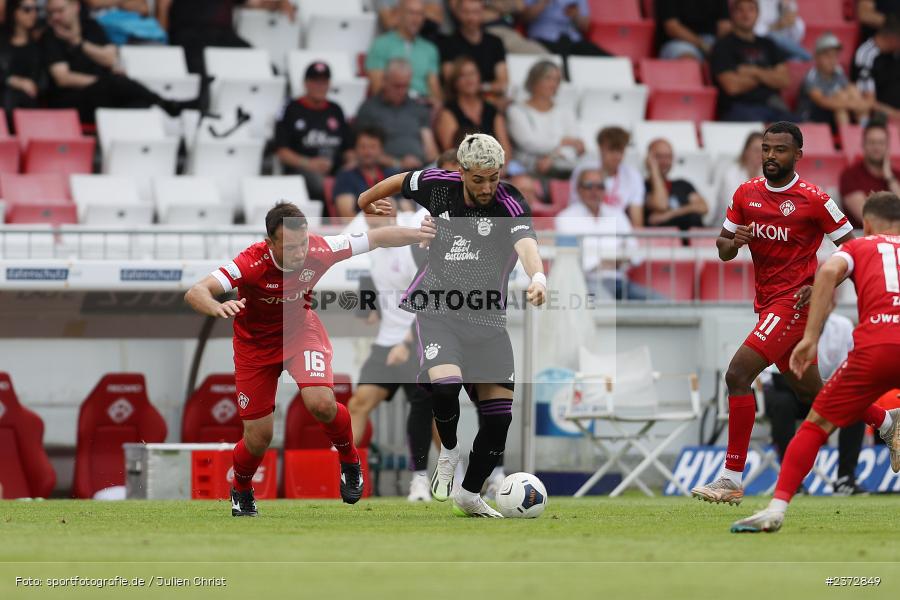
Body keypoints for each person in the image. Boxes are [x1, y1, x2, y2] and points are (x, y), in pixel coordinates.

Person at [183, 201, 436, 516]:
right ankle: (243, 488)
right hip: (254, 348)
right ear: (270, 243)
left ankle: (349, 461)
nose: (300, 251)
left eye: (303, 242)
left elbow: (379, 238)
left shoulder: (320, 248)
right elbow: (196, 291)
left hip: (300, 334)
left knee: (321, 403)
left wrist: (420, 233)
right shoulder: (250, 262)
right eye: (290, 246)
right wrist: (216, 306)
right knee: (259, 437)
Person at [689, 121, 884, 505]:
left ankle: (730, 477)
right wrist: (733, 241)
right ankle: (888, 422)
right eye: (765, 149)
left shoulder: (814, 199)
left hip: (795, 304)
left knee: (737, 373)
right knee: (815, 391)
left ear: (797, 155)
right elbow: (723, 249)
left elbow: (855, 249)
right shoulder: (746, 193)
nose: (770, 157)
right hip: (766, 305)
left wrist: (822, 286)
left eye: (779, 150)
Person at [357, 134, 547, 517]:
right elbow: (397, 181)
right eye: (478, 179)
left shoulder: (509, 202)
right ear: (461, 173)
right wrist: (365, 201)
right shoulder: (437, 186)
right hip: (438, 311)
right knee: (444, 388)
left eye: (493, 177)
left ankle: (470, 494)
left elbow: (527, 246)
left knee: (499, 420)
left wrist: (538, 277)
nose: (487, 187)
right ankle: (448, 450)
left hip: (489, 321)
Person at [732, 191, 900, 533]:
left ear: (866, 223)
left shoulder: (858, 246)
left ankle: (776, 509)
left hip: (876, 348)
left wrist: (809, 338)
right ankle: (889, 424)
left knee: (814, 426)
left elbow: (826, 275)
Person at [346, 203, 436, 502]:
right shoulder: (369, 250)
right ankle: (343, 474)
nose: (374, 218)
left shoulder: (412, 248)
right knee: (358, 404)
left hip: (417, 339)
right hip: (386, 343)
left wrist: (407, 342)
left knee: (433, 417)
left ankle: (448, 475)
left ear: (394, 216)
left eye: (381, 212)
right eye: (370, 214)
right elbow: (373, 302)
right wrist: (368, 309)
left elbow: (431, 296)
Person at [763, 309, 868, 496]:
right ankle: (791, 480)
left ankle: (846, 478)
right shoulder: (788, 320)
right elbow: (778, 377)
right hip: (789, 389)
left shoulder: (842, 326)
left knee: (855, 404)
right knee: (782, 403)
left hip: (824, 391)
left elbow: (849, 369)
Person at [42, 0, 190, 122]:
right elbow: (63, 78)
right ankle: (164, 103)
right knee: (117, 83)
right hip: (73, 99)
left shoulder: (92, 27)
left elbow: (110, 58)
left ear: (75, 7)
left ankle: (144, 145)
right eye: (51, 13)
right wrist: (102, 82)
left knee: (139, 104)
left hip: (103, 93)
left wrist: (79, 43)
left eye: (60, 11)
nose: (56, 17)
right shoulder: (50, 36)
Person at [556, 168, 661, 301]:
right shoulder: (565, 218)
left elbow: (635, 253)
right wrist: (612, 260)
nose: (595, 191)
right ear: (579, 189)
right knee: (607, 308)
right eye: (589, 186)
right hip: (585, 283)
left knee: (664, 304)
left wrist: (603, 261)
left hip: (620, 281)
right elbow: (574, 261)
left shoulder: (617, 214)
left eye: (600, 186)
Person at [274, 62, 352, 205]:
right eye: (315, 81)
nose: (319, 86)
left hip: (335, 169)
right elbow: (282, 152)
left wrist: (351, 165)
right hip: (302, 169)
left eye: (323, 82)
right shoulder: (290, 109)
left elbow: (349, 149)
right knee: (319, 183)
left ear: (329, 84)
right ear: (306, 83)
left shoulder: (336, 110)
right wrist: (309, 163)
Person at [710, 0, 795, 122]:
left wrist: (753, 72)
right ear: (732, 15)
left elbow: (784, 80)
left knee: (801, 128)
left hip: (773, 106)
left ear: (758, 14)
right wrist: (768, 76)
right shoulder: (722, 46)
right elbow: (732, 86)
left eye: (751, 9)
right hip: (739, 108)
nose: (746, 15)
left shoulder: (769, 44)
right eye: (741, 10)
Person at [158, 0, 294, 74]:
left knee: (265, 69)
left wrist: (279, 2)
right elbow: (163, 5)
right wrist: (163, 42)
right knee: (201, 74)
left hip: (223, 36)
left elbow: (256, 2)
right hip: (189, 35)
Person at [355, 59, 439, 172]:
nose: (401, 91)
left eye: (405, 86)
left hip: (420, 168)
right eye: (396, 86)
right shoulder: (369, 109)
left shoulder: (418, 108)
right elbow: (364, 151)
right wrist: (398, 163)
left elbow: (430, 149)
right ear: (384, 81)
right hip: (386, 171)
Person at [507, 59, 583, 176]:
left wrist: (552, 157)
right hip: (527, 170)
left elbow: (575, 145)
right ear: (534, 80)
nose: (554, 85)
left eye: (557, 80)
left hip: (563, 167)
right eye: (548, 78)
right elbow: (529, 143)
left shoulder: (566, 110)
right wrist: (563, 142)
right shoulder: (516, 110)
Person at [434, 56, 512, 158]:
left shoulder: (491, 110)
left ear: (479, 77)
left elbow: (506, 151)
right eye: (462, 75)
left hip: (495, 168)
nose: (469, 79)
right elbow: (451, 154)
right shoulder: (448, 113)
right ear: (455, 82)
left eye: (472, 74)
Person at [366, 0, 441, 102]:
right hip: (392, 105)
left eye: (420, 14)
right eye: (411, 13)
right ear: (399, 14)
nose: (416, 19)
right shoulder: (380, 45)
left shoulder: (430, 49)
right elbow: (377, 89)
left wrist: (436, 104)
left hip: (422, 106)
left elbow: (434, 89)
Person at [570, 126, 645, 228]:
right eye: (611, 150)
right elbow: (575, 209)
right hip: (585, 225)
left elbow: (637, 222)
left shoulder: (633, 176)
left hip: (617, 227)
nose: (616, 156)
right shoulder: (584, 171)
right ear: (600, 148)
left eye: (620, 151)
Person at [440, 0, 508, 105]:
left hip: (490, 101)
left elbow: (503, 82)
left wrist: (481, 88)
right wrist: (485, 88)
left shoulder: (495, 42)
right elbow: (450, 81)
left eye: (475, 12)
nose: (471, 18)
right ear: (458, 13)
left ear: (483, 13)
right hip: (460, 102)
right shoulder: (448, 43)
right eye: (466, 12)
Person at [797, 33, 873, 127]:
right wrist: (854, 104)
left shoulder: (838, 71)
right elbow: (823, 101)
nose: (832, 60)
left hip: (831, 116)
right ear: (817, 57)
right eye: (828, 56)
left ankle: (864, 129)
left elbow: (850, 88)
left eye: (835, 56)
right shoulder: (811, 77)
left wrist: (858, 102)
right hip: (811, 119)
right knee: (840, 101)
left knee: (851, 91)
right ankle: (848, 136)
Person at [838, 120, 900, 229]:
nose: (876, 147)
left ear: (887, 146)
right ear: (863, 145)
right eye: (872, 142)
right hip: (862, 238)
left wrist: (890, 178)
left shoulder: (896, 175)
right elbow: (865, 216)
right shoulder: (850, 175)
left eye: (881, 143)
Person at [644, 138, 709, 233]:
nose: (664, 161)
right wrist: (654, 171)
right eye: (659, 156)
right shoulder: (642, 186)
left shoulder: (682, 184)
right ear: (649, 159)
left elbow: (703, 207)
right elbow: (661, 205)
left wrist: (668, 215)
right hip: (662, 244)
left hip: (694, 244)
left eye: (668, 157)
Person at [333, 126, 398, 219]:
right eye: (363, 147)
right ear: (355, 149)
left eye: (373, 147)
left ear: (381, 150)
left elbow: (408, 209)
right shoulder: (346, 176)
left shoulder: (392, 174)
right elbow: (346, 215)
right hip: (361, 231)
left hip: (394, 227)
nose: (368, 152)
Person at [521, 0, 609, 60]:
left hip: (572, 40)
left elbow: (585, 26)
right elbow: (522, 18)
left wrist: (575, 15)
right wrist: (543, 2)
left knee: (605, 59)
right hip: (543, 39)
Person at [0, 0, 43, 119]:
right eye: (27, 9)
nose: (33, 14)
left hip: (30, 102)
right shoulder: (2, 41)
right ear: (14, 12)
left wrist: (34, 86)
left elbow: (44, 79)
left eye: (36, 9)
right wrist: (11, 80)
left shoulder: (41, 41)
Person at [710, 131, 763, 226]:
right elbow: (734, 206)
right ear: (746, 152)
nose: (760, 155)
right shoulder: (731, 174)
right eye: (756, 150)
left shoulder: (767, 176)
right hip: (723, 230)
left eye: (764, 150)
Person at [851, 16, 900, 115]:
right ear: (893, 39)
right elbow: (868, 101)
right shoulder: (865, 55)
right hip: (880, 119)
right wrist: (895, 114)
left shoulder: (895, 53)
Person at [655, 0, 731, 62]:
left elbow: (725, 25)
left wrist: (720, 48)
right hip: (678, 41)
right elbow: (672, 27)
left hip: (712, 41)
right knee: (688, 60)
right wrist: (703, 45)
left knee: (734, 55)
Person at [480, 0, 549, 55]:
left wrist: (497, 5)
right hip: (493, 29)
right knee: (543, 55)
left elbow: (520, 6)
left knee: (545, 55)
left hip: (511, 32)